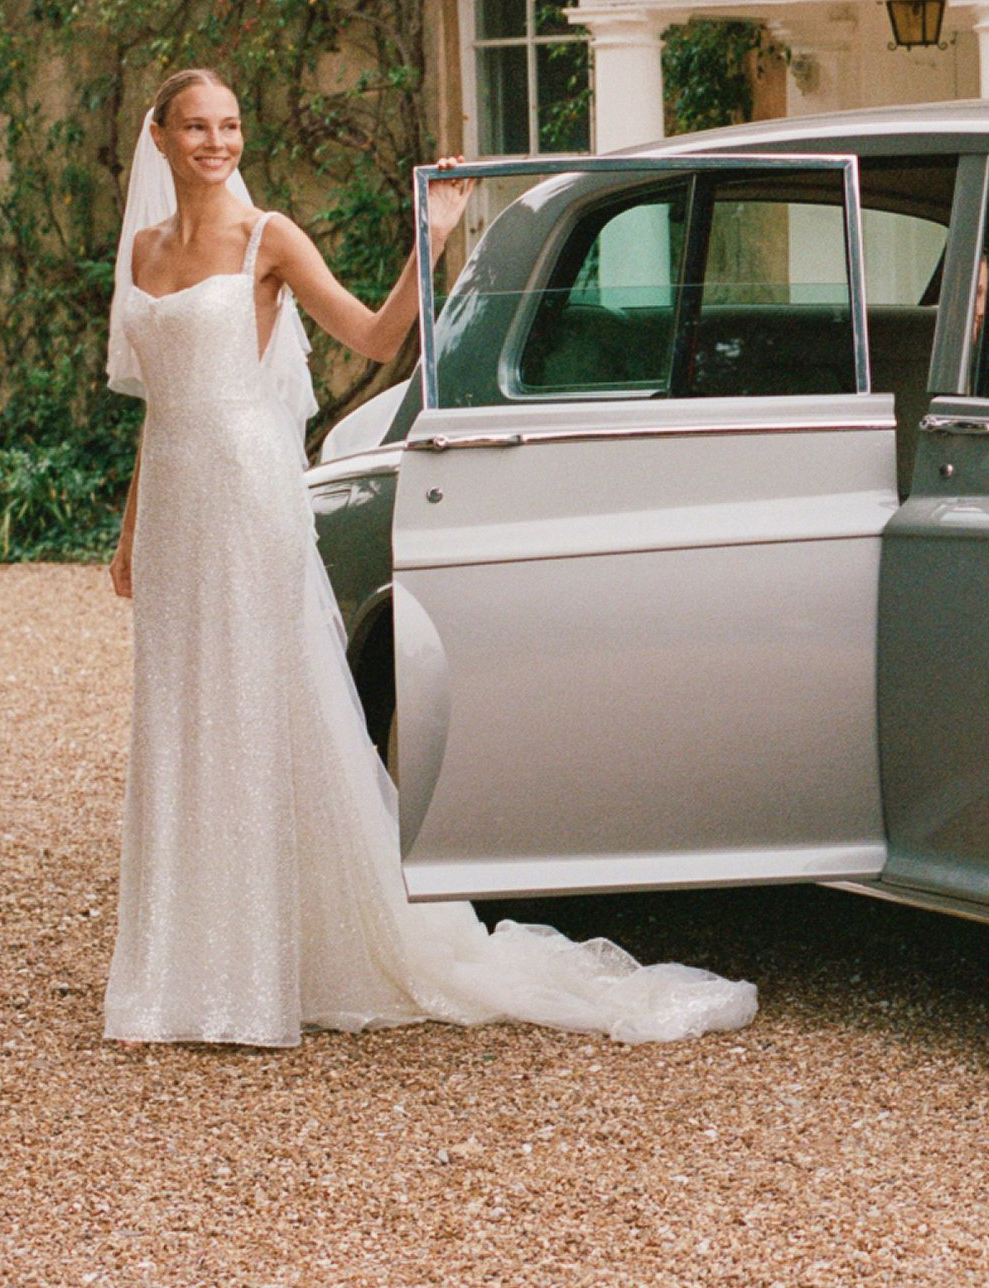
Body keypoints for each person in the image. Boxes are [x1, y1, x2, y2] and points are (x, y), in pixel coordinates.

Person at [102, 68, 758, 1046]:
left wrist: (433, 235)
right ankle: (183, 970)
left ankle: (260, 973)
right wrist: (130, 530)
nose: (216, 142)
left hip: (247, 499)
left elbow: (375, 336)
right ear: (159, 136)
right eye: (196, 126)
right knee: (182, 715)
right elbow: (160, 408)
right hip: (176, 505)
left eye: (230, 125)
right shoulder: (145, 251)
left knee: (257, 707)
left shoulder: (268, 237)